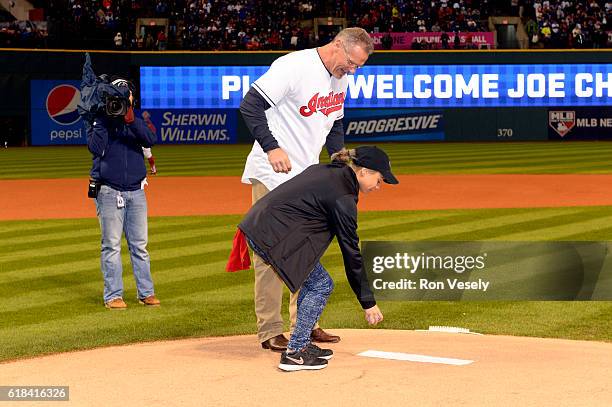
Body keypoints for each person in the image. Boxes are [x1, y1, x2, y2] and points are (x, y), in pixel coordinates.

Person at [238, 27, 374, 351]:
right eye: (351, 63)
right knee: (271, 253)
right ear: (338, 45)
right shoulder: (294, 66)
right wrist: (272, 147)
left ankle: (306, 324)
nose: (352, 71)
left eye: (358, 67)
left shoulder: (338, 79)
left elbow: (336, 123)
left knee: (308, 250)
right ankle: (270, 329)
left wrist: (340, 159)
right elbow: (250, 105)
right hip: (272, 171)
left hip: (306, 175)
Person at [234, 146, 398, 371]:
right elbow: (351, 253)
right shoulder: (343, 196)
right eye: (379, 180)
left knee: (314, 282)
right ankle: (296, 353)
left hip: (264, 227)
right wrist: (368, 302)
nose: (379, 187)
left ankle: (300, 344)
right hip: (271, 234)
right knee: (321, 284)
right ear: (363, 172)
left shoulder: (331, 172)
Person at [85, 77, 160, 309]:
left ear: (131, 98)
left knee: (140, 246)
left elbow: (150, 140)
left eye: (125, 96)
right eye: (116, 96)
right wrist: (106, 119)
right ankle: (113, 296)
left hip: (137, 191)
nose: (120, 100)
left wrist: (130, 119)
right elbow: (95, 149)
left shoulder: (134, 120)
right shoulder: (99, 119)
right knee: (112, 246)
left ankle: (146, 293)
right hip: (109, 191)